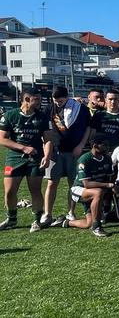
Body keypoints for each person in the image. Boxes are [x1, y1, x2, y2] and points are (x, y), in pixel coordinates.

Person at [0, 88, 53, 232]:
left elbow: (48, 139)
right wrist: (23, 148)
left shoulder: (42, 117)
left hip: (35, 158)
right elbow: (2, 139)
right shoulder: (10, 115)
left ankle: (36, 220)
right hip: (14, 158)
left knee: (35, 189)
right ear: (27, 100)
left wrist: (47, 156)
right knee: (10, 191)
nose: (40, 102)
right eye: (37, 99)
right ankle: (11, 219)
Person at [43, 86, 91, 225]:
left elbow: (87, 128)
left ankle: (71, 211)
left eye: (61, 100)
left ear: (67, 97)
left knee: (73, 183)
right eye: (55, 100)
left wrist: (81, 145)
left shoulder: (80, 108)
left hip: (74, 150)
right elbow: (45, 131)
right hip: (55, 150)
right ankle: (47, 214)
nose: (58, 103)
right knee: (52, 182)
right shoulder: (49, 109)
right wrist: (47, 150)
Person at [54, 135, 112, 236]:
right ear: (95, 146)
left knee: (87, 223)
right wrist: (107, 185)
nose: (107, 147)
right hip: (79, 189)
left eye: (108, 145)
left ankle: (64, 222)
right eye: (104, 145)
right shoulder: (84, 159)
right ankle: (97, 227)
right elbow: (87, 184)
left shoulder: (107, 159)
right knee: (98, 192)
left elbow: (109, 178)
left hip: (94, 191)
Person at [89, 89, 119, 153]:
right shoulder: (99, 115)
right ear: (105, 99)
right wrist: (96, 151)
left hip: (118, 153)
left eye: (115, 99)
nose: (113, 102)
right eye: (110, 99)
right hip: (100, 152)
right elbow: (92, 136)